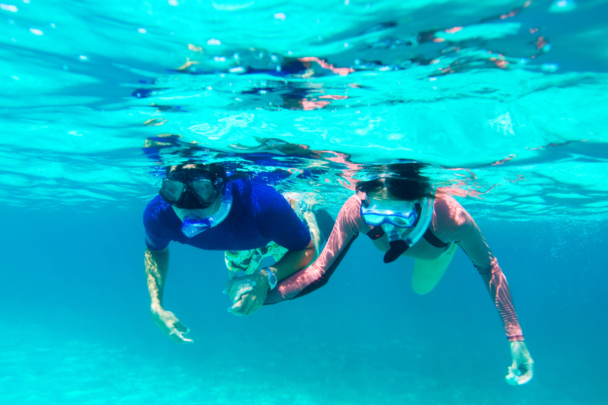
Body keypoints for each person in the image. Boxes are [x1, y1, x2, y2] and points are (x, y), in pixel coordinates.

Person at [231, 164, 533, 386]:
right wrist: (264, 295)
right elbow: (320, 270)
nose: (389, 227)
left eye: (400, 216)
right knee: (417, 287)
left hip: (436, 251)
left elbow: (489, 267)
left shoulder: (450, 218)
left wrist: (515, 337)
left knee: (421, 288)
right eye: (377, 214)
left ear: (420, 203)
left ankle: (445, 257)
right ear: (364, 201)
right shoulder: (355, 211)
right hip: (411, 243)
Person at [143, 162, 322, 343]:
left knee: (309, 255)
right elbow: (155, 251)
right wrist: (155, 304)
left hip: (270, 226)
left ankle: (306, 210)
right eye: (173, 189)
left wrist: (266, 277)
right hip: (247, 237)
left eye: (202, 188)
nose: (186, 204)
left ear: (219, 186)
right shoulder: (158, 215)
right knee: (239, 270)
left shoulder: (264, 205)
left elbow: (307, 249)